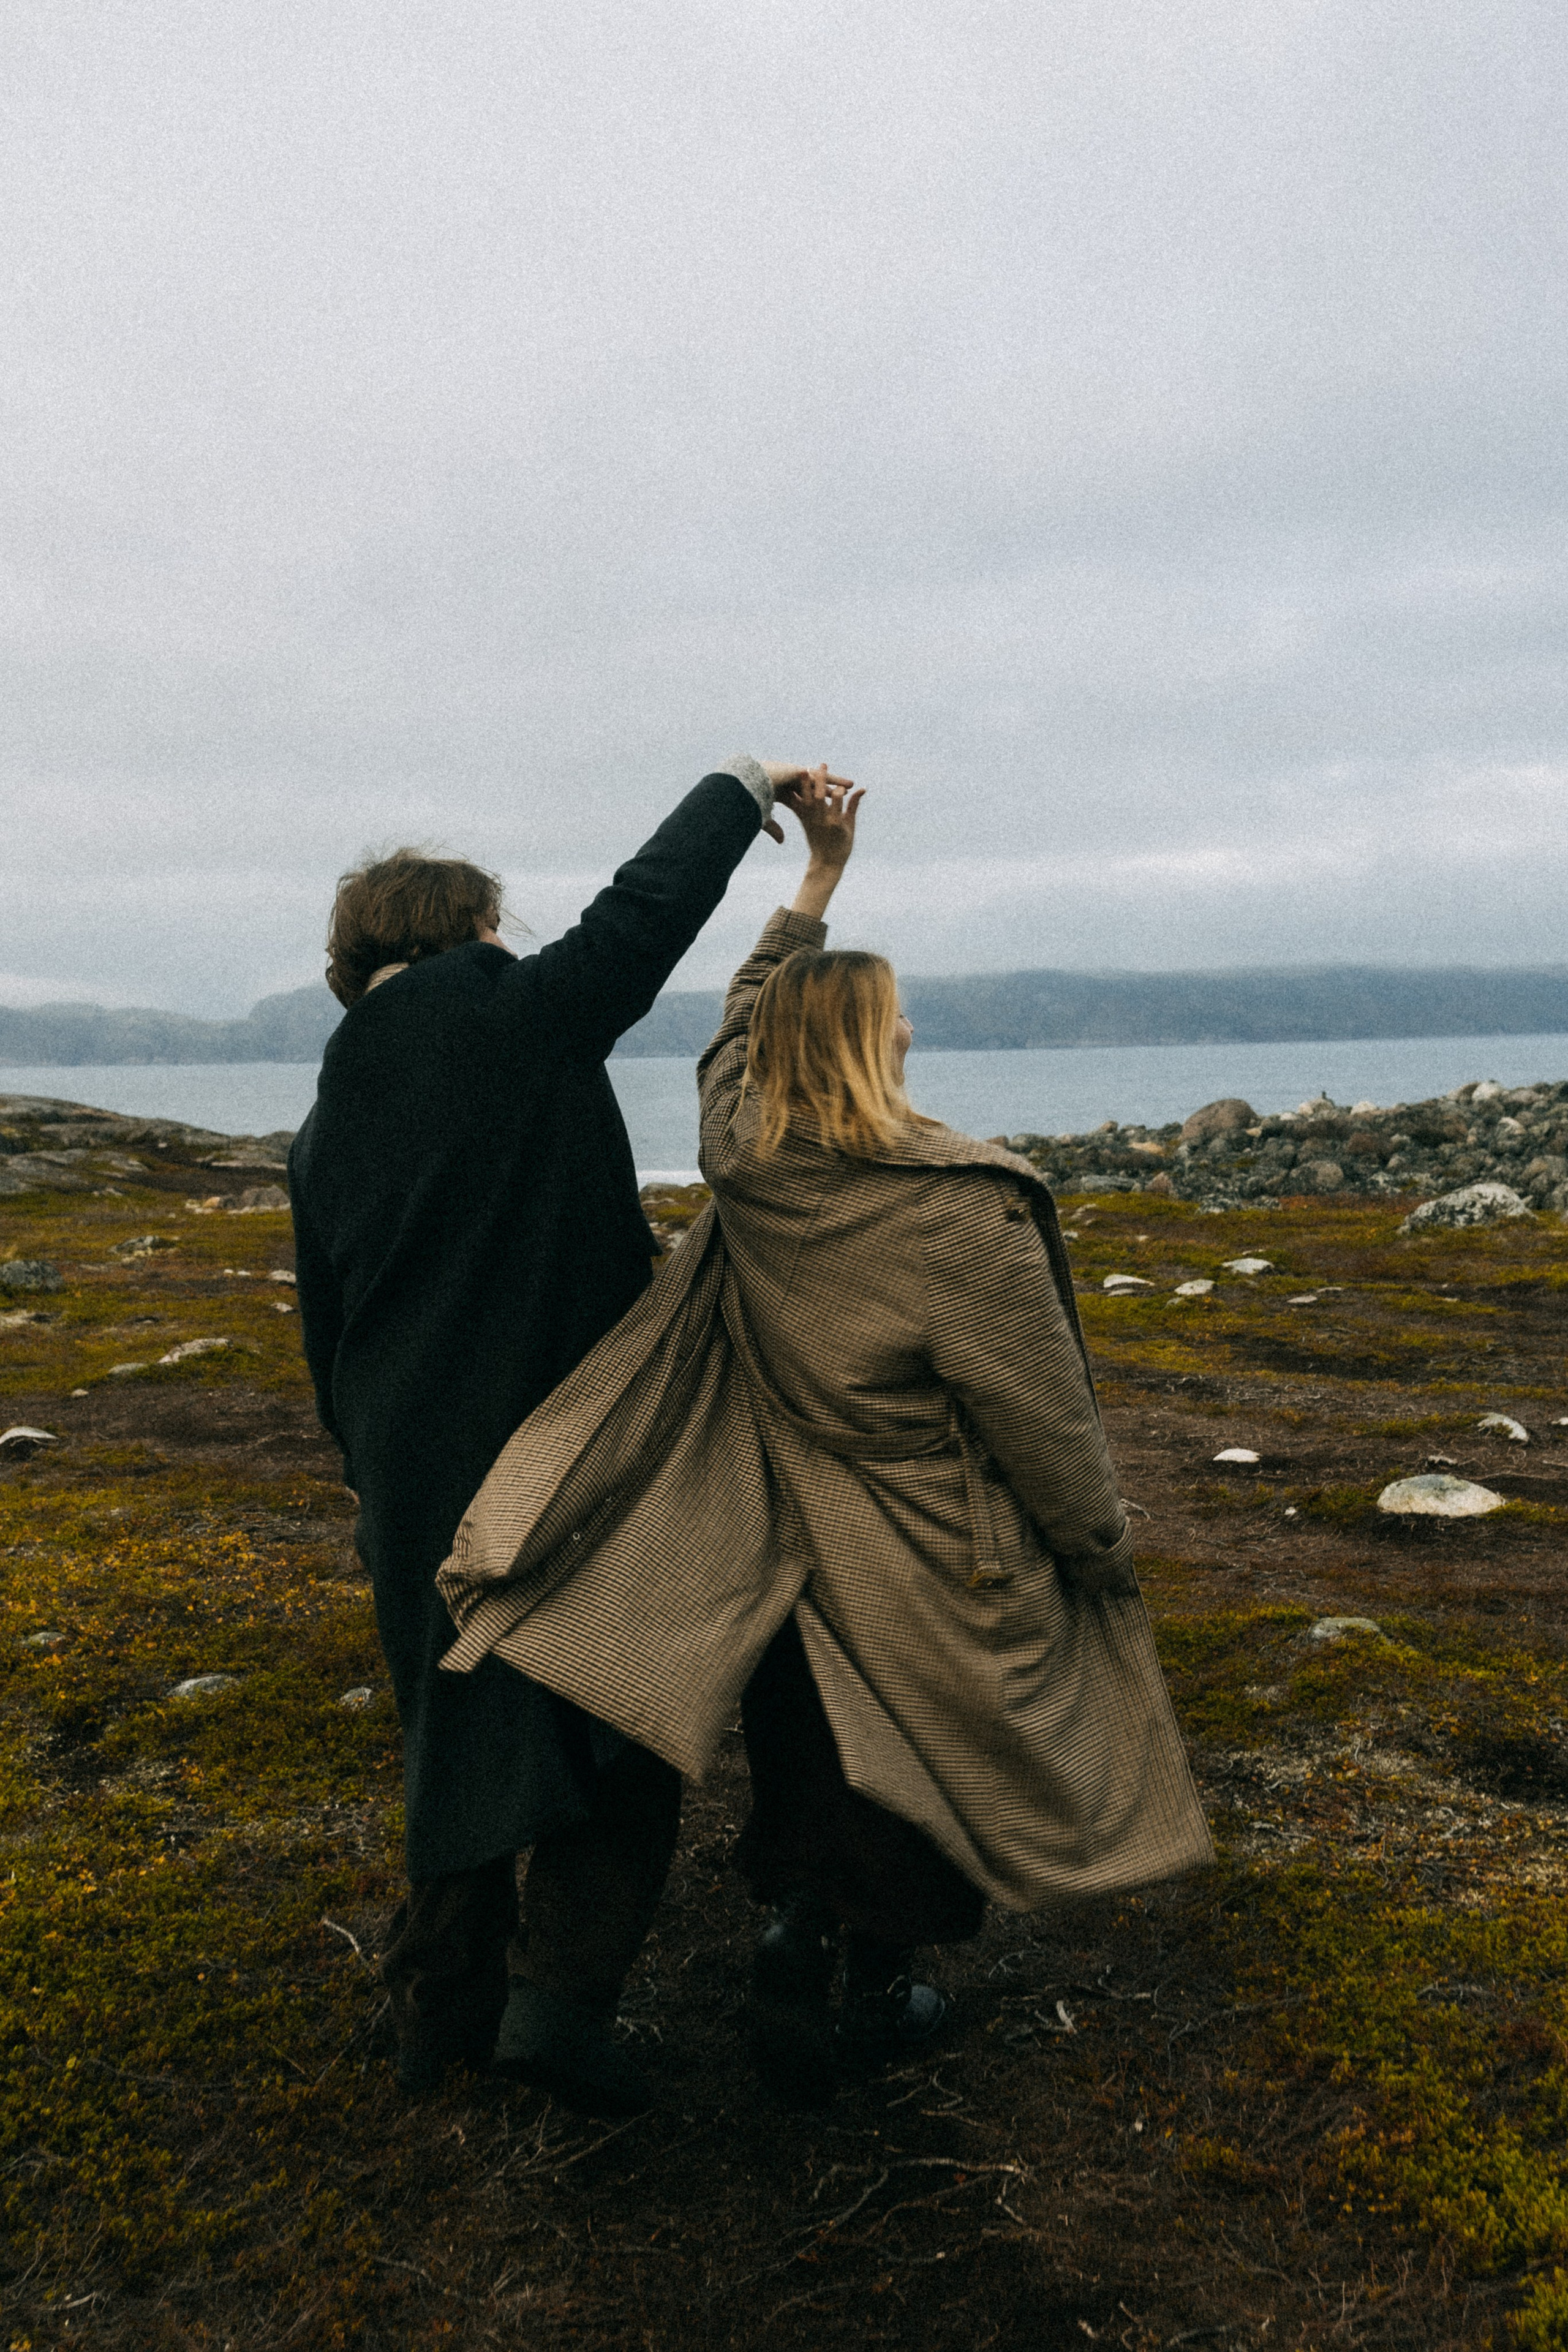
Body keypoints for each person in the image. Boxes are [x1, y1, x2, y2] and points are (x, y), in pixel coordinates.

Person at [436, 773, 1213, 2098]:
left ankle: (797, 1935)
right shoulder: (956, 1215)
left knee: (808, 1741)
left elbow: (733, 1034)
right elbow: (1039, 1415)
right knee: (921, 1756)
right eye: (894, 1010)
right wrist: (1094, 1546)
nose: (910, 1025)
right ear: (869, 1041)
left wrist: (811, 886)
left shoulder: (750, 1159)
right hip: (926, 1541)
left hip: (779, 1523)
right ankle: (854, 1985)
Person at [288, 754, 820, 2108]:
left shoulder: (323, 1116)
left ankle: (435, 2017)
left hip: (411, 1465)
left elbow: (327, 1332)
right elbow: (645, 913)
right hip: (570, 1443)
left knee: (453, 1731)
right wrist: (741, 785)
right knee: (617, 1705)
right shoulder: (516, 1018)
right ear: (464, 929)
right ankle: (556, 2016)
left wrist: (374, 1480)